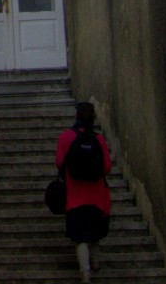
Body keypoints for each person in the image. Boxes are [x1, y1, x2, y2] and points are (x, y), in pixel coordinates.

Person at [56, 99, 113, 281]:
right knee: (94, 232)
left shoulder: (65, 137)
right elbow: (107, 167)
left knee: (80, 236)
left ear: (76, 116)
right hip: (98, 197)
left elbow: (59, 163)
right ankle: (95, 262)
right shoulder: (98, 139)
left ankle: (85, 272)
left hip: (75, 197)